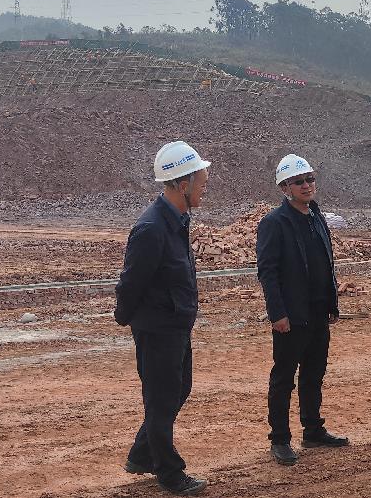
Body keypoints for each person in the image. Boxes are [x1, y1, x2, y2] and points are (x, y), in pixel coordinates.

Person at [115, 141, 211, 495]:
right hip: (157, 329)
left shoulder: (177, 220)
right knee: (161, 400)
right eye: (201, 183)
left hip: (175, 325)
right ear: (183, 185)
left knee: (177, 390)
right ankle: (169, 472)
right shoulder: (151, 228)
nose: (204, 189)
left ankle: (142, 454)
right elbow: (131, 282)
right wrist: (127, 318)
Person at [256, 154, 349, 466]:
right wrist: (277, 314)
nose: (307, 185)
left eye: (310, 179)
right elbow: (268, 272)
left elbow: (327, 262)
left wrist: (332, 303)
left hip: (318, 312)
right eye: (299, 181)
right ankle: (280, 439)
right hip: (291, 316)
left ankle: (313, 430)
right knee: (284, 378)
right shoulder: (274, 223)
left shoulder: (316, 216)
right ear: (285, 187)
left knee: (314, 374)